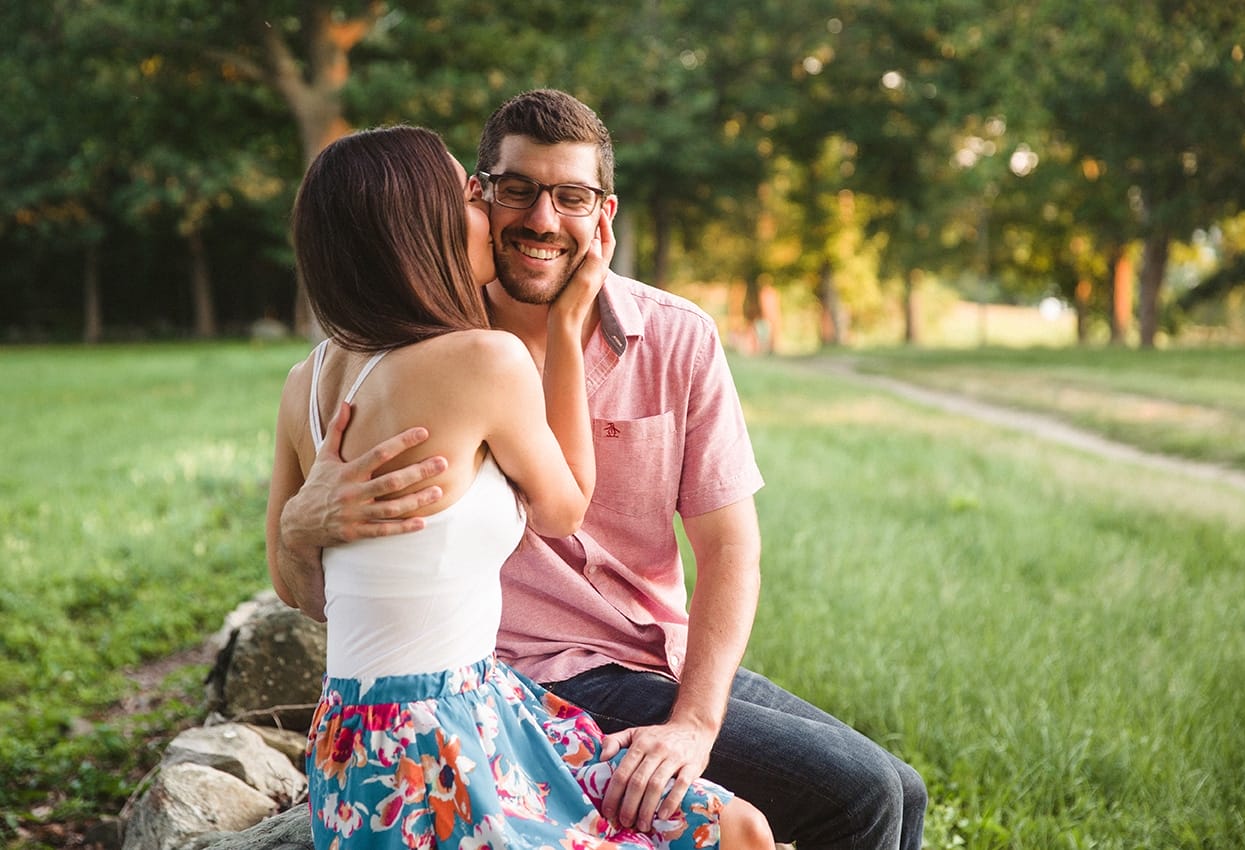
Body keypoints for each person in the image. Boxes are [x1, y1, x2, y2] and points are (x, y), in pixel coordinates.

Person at [274, 90, 928, 850]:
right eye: (512, 191)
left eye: (570, 197)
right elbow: (560, 506)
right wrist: (298, 524)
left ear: (603, 211)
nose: (541, 220)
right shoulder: (457, 355)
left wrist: (693, 723)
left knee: (899, 791)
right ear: (474, 199)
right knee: (859, 797)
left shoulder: (676, 337)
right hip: (520, 679)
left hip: (646, 653)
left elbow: (729, 547)